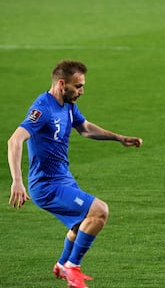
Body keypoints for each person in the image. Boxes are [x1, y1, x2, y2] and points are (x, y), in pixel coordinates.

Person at [7, 60, 143, 288]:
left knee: (82, 225)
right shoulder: (42, 108)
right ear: (62, 84)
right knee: (100, 211)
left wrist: (119, 138)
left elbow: (85, 128)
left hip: (64, 178)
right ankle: (72, 267)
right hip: (46, 185)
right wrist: (17, 181)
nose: (82, 91)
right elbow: (15, 140)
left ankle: (62, 265)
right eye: (78, 86)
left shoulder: (68, 104)